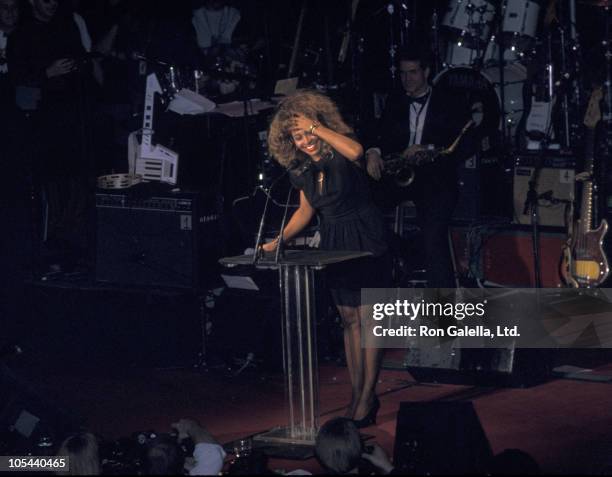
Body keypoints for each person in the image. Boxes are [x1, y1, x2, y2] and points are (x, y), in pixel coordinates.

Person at [265, 90, 390, 427]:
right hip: (334, 237)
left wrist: (317, 128)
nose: (304, 140)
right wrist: (277, 240)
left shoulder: (340, 144)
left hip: (364, 231)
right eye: (296, 135)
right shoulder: (302, 168)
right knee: (349, 319)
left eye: (307, 132)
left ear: (317, 124)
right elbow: (306, 211)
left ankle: (366, 397)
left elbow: (357, 151)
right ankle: (357, 393)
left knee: (369, 319)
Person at [366, 49, 476, 288]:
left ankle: (443, 316)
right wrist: (373, 152)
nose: (407, 79)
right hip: (400, 176)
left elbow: (467, 143)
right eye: (403, 74)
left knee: (434, 240)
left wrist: (427, 148)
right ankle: (406, 250)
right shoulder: (396, 100)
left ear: (426, 72)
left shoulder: (450, 102)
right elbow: (379, 133)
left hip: (435, 179)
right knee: (362, 211)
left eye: (413, 73)